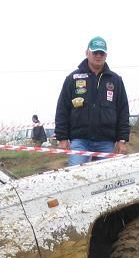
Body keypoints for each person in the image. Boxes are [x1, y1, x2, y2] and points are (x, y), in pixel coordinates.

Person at [54, 36, 130, 166]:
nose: (98, 56)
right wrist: (62, 138)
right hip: (79, 140)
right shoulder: (73, 78)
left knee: (106, 178)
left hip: (106, 141)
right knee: (75, 176)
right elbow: (62, 109)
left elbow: (123, 111)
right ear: (87, 53)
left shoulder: (116, 80)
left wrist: (122, 140)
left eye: (102, 53)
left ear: (106, 55)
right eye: (95, 52)